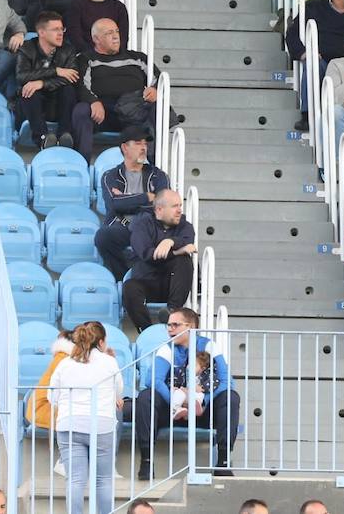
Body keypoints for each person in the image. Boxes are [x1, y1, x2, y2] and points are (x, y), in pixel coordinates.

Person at [136, 307, 241, 478]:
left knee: (231, 397)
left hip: (202, 410)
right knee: (146, 396)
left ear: (191, 327)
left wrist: (201, 401)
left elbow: (226, 382)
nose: (170, 329)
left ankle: (223, 461)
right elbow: (153, 381)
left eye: (175, 325)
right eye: (168, 325)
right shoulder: (167, 348)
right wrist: (178, 401)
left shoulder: (208, 346)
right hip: (173, 410)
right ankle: (146, 462)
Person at [48, 321, 121, 514]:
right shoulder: (109, 362)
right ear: (102, 342)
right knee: (103, 479)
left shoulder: (65, 363)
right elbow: (118, 390)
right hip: (101, 424)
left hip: (69, 423)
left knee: (75, 479)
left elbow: (51, 396)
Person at [71, 18, 160, 154]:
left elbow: (160, 78)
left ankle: (153, 166)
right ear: (96, 39)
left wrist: (155, 89)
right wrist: (92, 101)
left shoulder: (138, 58)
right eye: (109, 33)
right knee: (82, 109)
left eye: (117, 31)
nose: (115, 36)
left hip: (133, 111)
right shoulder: (86, 58)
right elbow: (81, 84)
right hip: (103, 112)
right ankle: (82, 164)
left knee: (156, 108)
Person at [93, 127, 169, 280]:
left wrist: (127, 199)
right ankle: (124, 278)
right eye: (138, 143)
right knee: (103, 237)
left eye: (145, 144)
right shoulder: (111, 175)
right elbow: (114, 204)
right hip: (123, 225)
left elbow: (164, 206)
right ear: (125, 147)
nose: (143, 148)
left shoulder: (158, 175)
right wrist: (146, 197)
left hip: (150, 228)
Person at [122, 189, 195, 329]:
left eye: (180, 205)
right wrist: (177, 251)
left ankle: (171, 313)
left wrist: (171, 242)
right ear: (159, 209)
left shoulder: (185, 226)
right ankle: (147, 330)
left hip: (172, 285)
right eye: (174, 206)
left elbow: (189, 242)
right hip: (146, 282)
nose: (179, 210)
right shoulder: (141, 225)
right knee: (129, 287)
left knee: (184, 260)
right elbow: (147, 255)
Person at [16, 10, 79, 150]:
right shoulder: (27, 48)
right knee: (29, 90)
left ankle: (65, 135)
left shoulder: (68, 50)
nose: (61, 33)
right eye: (55, 29)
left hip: (57, 104)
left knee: (68, 89)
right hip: (32, 106)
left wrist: (42, 83)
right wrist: (56, 71)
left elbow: (72, 78)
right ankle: (42, 138)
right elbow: (21, 76)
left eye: (62, 28)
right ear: (41, 32)